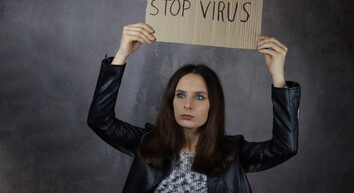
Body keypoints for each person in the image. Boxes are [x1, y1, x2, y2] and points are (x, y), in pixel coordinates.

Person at [88, 22, 301, 193]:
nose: (187, 104)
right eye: (180, 95)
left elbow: (285, 147)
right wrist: (121, 55)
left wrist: (278, 76)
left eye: (199, 97)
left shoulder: (231, 153)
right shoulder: (147, 143)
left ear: (213, 106)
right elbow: (100, 120)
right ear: (171, 101)